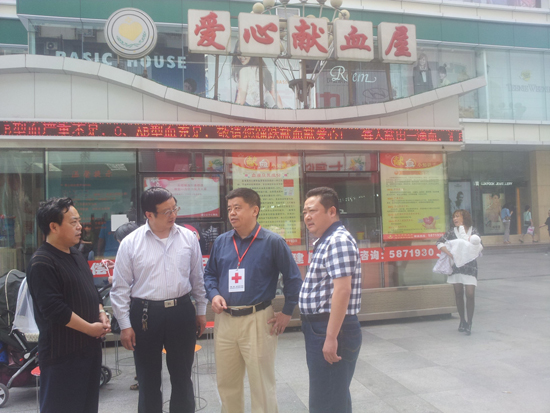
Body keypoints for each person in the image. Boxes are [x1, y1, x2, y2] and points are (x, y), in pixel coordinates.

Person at [203, 187, 302, 413]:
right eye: (230, 208)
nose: (232, 213)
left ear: (254, 210)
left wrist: (287, 312)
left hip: (258, 319)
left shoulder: (273, 242)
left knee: (261, 384)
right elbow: (209, 274)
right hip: (225, 320)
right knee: (227, 383)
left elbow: (293, 278)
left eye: (237, 208)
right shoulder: (222, 242)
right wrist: (214, 294)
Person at [110, 187, 207, 413]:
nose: (173, 215)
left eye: (175, 208)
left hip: (181, 311)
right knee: (148, 378)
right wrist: (125, 325)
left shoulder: (188, 238)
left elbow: (197, 278)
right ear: (149, 214)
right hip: (145, 314)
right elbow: (120, 288)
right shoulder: (131, 243)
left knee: (182, 375)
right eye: (166, 211)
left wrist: (201, 311)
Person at [26, 197, 111, 413]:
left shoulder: (76, 254)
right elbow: (54, 309)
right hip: (62, 354)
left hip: (89, 350)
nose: (80, 227)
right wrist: (89, 328)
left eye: (79, 221)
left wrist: (101, 312)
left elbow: (90, 290)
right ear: (53, 227)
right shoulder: (42, 262)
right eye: (73, 222)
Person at [300, 187, 362, 413]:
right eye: (305, 212)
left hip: (331, 327)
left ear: (332, 211)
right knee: (333, 395)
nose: (307, 217)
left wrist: (331, 337)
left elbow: (342, 290)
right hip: (320, 327)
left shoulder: (337, 241)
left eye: (313, 211)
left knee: (326, 401)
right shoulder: (326, 240)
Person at [437, 209, 481, 335]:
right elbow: (439, 242)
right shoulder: (452, 232)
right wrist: (450, 254)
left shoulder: (473, 231)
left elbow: (479, 245)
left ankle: (470, 322)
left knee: (470, 294)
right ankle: (462, 321)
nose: (455, 219)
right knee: (458, 293)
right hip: (456, 267)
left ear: (464, 218)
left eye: (457, 216)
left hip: (470, 267)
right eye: (454, 217)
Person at [232, 44, 283, 108]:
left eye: (245, 53)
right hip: (264, 110)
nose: (241, 56)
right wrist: (281, 111)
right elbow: (275, 96)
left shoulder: (244, 71)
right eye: (239, 53)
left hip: (250, 109)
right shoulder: (263, 70)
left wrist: (233, 110)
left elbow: (240, 99)